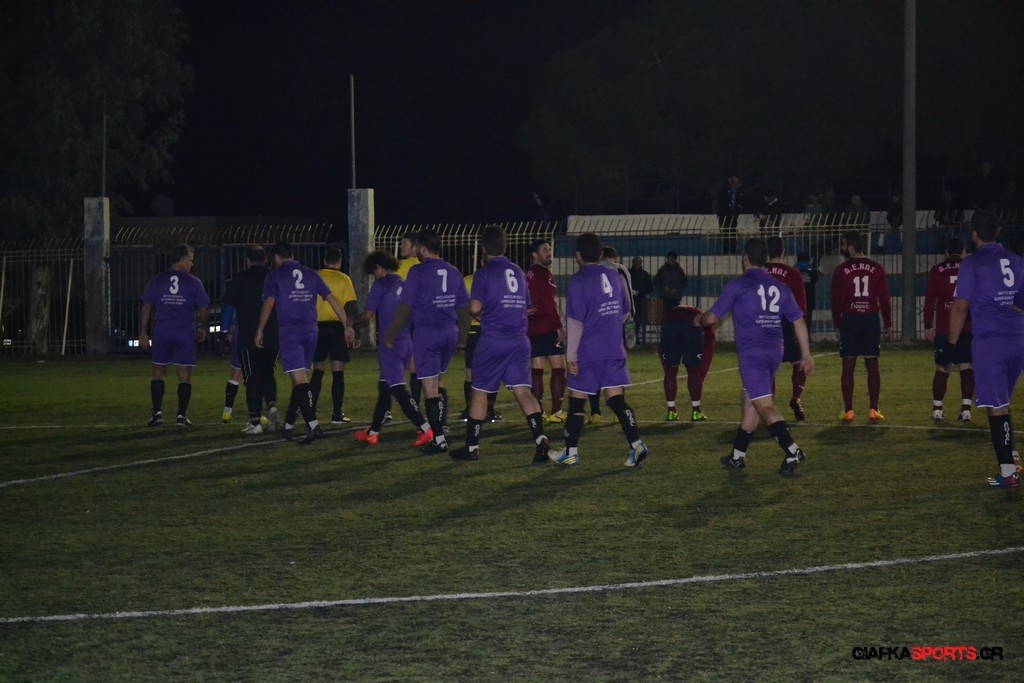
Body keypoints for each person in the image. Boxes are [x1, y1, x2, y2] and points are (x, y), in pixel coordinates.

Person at [698, 238, 814, 476]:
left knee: (763, 404)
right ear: (765, 260)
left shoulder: (739, 285)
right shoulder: (780, 286)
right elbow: (798, 320)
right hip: (775, 351)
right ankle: (737, 456)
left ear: (745, 260)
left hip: (753, 353)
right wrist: (806, 354)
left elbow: (711, 318)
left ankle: (792, 450)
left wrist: (698, 320)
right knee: (750, 400)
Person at [450, 225, 551, 463]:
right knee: (523, 391)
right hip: (519, 340)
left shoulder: (484, 273)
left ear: (484, 248)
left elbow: (475, 307)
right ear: (505, 246)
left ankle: (472, 447)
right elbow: (525, 304)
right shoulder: (517, 271)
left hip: (494, 340)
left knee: (479, 391)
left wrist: (480, 310)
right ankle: (541, 440)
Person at [552, 232, 648, 468]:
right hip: (614, 348)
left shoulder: (579, 281)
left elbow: (575, 322)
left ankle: (570, 452)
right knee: (616, 399)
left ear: (578, 255)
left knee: (577, 402)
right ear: (601, 253)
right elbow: (625, 312)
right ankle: (636, 444)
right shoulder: (614, 275)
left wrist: (571, 356)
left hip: (589, 351)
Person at [947, 212, 1024, 488]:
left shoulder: (972, 263)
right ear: (998, 231)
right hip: (1018, 339)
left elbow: (960, 307)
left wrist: (950, 346)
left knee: (996, 406)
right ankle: (1012, 456)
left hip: (991, 343)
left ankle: (1008, 473)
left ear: (974, 234)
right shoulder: (1016, 260)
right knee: (1002, 401)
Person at [255, 241, 352, 444]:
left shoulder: (275, 276)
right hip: (311, 332)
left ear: (276, 258)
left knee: (300, 381)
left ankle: (313, 426)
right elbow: (332, 299)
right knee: (299, 379)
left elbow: (269, 303)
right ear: (292, 255)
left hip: (290, 332)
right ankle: (289, 425)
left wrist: (260, 329)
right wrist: (346, 325)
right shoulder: (311, 274)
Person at [384, 230, 470, 454]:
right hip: (450, 332)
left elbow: (405, 306)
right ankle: (442, 429)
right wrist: (463, 336)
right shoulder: (453, 271)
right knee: (438, 381)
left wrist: (391, 334)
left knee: (429, 387)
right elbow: (463, 307)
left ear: (422, 248)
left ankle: (439, 439)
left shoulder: (417, 271)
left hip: (427, 333)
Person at [352, 250, 433, 447]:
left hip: (390, 345)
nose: (375, 275)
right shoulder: (404, 284)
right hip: (406, 343)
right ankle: (373, 433)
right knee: (384, 389)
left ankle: (426, 429)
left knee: (398, 391)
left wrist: (351, 321)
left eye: (374, 272)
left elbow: (369, 314)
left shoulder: (381, 285)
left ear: (380, 267)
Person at [139, 244, 210, 427]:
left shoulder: (157, 280)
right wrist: (204, 328)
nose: (192, 264)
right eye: (191, 260)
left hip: (162, 330)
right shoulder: (194, 282)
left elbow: (146, 307)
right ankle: (181, 416)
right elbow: (204, 308)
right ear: (183, 260)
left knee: (158, 372)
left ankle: (157, 413)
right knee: (184, 375)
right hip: (184, 331)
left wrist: (143, 332)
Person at [831, 230, 892, 422]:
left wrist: (837, 323)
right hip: (870, 319)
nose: (843, 248)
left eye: (844, 245)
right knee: (872, 364)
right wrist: (888, 321)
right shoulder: (876, 268)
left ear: (851, 246)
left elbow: (836, 300)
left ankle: (848, 410)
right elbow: (884, 297)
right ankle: (874, 409)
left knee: (848, 365)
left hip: (850, 320)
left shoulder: (841, 270)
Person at [221, 245, 280, 434]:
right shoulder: (274, 276)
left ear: (248, 260)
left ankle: (255, 422)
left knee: (252, 377)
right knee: (268, 372)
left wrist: (224, 331)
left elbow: (229, 307)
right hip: (272, 333)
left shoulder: (240, 278)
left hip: (248, 335)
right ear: (266, 260)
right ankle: (271, 404)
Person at [923, 237, 974, 423]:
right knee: (966, 366)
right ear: (963, 251)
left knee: (942, 368)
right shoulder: (970, 268)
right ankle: (966, 410)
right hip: (967, 325)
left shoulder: (937, 270)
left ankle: (937, 410)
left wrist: (928, 324)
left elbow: (930, 299)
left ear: (946, 252)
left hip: (945, 327)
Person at [765, 236, 811, 421]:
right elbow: (801, 304)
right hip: (787, 323)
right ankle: (796, 398)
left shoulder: (760, 272)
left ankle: (768, 405)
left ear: (767, 252)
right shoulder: (792, 274)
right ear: (783, 252)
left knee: (768, 367)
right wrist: (802, 328)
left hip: (765, 324)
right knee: (799, 363)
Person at [311, 247, 358, 424]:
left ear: (324, 260)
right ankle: (337, 414)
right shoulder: (344, 279)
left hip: (317, 327)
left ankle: (310, 411)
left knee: (317, 371)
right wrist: (352, 330)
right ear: (340, 262)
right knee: (338, 372)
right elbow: (350, 307)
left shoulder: (315, 276)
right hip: (338, 327)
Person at [526, 238, 567, 423]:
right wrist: (558, 326)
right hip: (547, 326)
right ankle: (556, 411)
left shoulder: (528, 274)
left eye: (549, 249)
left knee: (537, 368)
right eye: (544, 250)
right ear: (535, 254)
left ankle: (539, 412)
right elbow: (549, 303)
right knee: (559, 368)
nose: (549, 253)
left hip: (532, 327)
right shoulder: (543, 274)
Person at [458, 260, 501, 424]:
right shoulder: (498, 281)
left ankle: (469, 410)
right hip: (491, 330)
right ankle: (489, 410)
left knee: (470, 371)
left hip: (472, 330)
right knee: (492, 371)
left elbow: (462, 305)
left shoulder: (468, 280)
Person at [659, 304, 715, 422]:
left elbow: (661, 347)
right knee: (693, 371)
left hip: (670, 324)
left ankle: (671, 411)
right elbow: (709, 345)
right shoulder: (701, 320)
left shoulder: (671, 314)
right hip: (692, 325)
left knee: (670, 372)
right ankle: (696, 411)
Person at [600, 246, 636, 349]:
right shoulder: (619, 269)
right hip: (617, 313)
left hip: (598, 315)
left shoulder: (592, 270)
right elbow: (627, 292)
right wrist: (631, 315)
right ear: (614, 257)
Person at [628, 256, 654, 343]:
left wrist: (640, 292)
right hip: (630, 299)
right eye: (635, 262)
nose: (637, 264)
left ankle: (636, 336)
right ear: (633, 263)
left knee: (638, 319)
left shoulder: (644, 275)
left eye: (638, 263)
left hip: (640, 300)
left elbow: (650, 288)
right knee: (630, 319)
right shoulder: (629, 273)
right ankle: (630, 337)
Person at [717, 175, 744, 254]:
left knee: (733, 232)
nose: (736, 183)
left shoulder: (739, 189)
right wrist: (728, 205)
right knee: (725, 232)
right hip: (724, 213)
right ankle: (725, 251)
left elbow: (742, 199)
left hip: (734, 213)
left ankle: (733, 250)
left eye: (737, 182)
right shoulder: (724, 187)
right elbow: (722, 200)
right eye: (734, 181)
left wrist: (739, 207)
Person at [795, 252, 820, 331]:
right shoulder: (812, 270)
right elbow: (815, 279)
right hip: (809, 298)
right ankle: (807, 334)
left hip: (797, 299)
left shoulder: (794, 270)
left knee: (797, 319)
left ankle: (798, 335)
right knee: (808, 319)